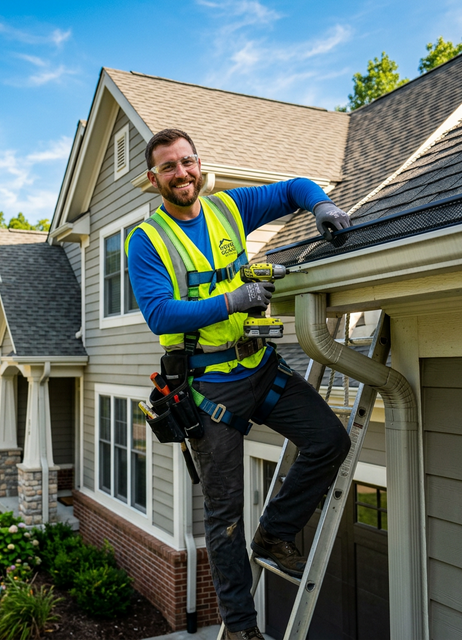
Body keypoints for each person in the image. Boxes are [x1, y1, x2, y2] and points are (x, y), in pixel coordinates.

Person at [126, 129, 352, 640]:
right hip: (209, 388)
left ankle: (275, 534)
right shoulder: (148, 240)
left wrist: (322, 207)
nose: (182, 173)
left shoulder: (228, 208)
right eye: (169, 167)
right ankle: (240, 628)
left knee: (328, 440)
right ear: (153, 178)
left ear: (199, 163)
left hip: (259, 366)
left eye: (187, 162)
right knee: (224, 514)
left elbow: (295, 186)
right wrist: (234, 299)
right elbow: (161, 314)